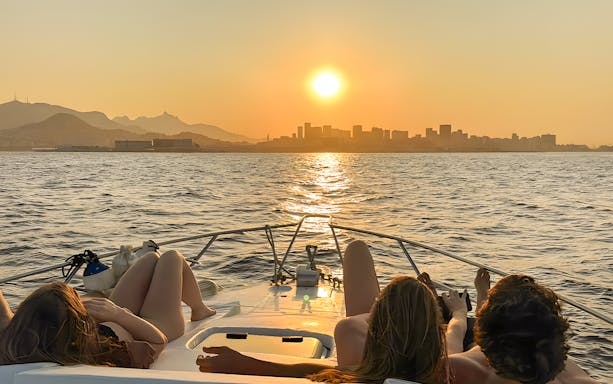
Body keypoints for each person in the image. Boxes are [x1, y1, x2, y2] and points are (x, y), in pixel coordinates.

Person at [197, 240, 468, 383]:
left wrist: (243, 363)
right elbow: (457, 330)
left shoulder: (364, 372)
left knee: (356, 250)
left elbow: (309, 370)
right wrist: (456, 312)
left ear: (378, 324)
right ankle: (411, 308)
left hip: (375, 339)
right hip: (408, 338)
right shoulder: (447, 367)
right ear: (434, 332)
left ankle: (406, 308)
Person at [0, 249, 215, 368]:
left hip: (109, 317)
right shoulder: (104, 349)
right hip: (151, 325)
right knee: (171, 258)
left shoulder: (12, 338)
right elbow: (158, 341)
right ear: (77, 319)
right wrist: (118, 314)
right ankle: (199, 309)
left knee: (150, 258)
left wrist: (110, 313)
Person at [449, 270, 599, 384]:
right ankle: (483, 301)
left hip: (486, 354)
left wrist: (459, 313)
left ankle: (483, 303)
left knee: (474, 343)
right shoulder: (574, 378)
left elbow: (451, 339)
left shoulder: (462, 368)